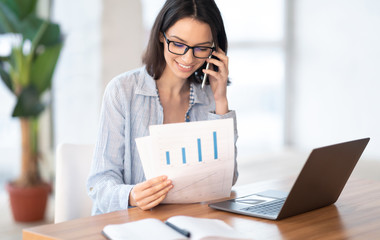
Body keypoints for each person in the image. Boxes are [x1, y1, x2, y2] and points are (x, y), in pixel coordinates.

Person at [87, 0, 238, 214]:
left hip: (186, 222)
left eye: (201, 48)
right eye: (178, 44)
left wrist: (221, 101)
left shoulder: (209, 97)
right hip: (127, 224)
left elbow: (227, 181)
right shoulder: (122, 91)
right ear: (161, 35)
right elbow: (99, 184)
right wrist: (131, 195)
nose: (188, 58)